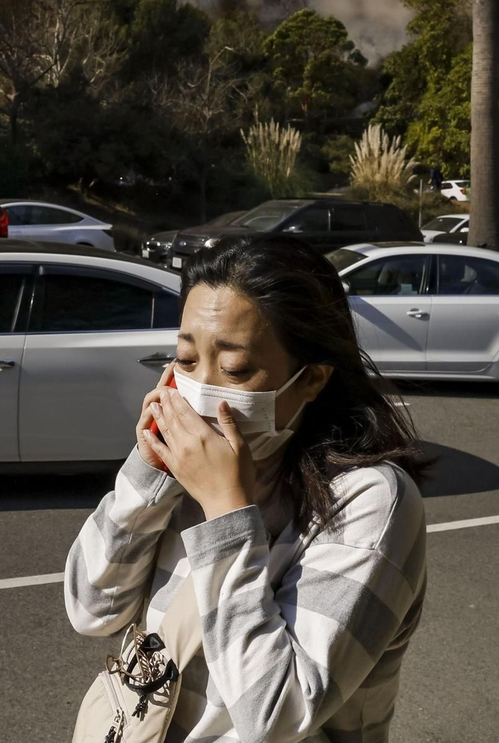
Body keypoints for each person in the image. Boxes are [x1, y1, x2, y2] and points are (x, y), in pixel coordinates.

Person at [66, 234, 427, 742]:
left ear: (312, 379)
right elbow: (92, 609)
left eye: (234, 369)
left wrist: (224, 511)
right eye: (185, 360)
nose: (200, 391)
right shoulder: (177, 477)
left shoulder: (370, 501)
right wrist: (149, 473)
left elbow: (276, 716)